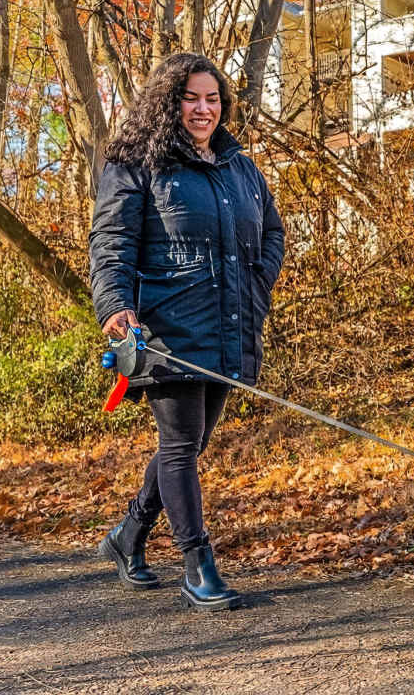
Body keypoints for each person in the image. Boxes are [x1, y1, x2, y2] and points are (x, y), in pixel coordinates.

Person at [89, 53, 285, 611]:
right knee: (179, 444)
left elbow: (272, 230)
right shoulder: (134, 162)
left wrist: (256, 284)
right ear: (169, 102)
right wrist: (115, 309)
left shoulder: (238, 166)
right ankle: (198, 565)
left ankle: (129, 536)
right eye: (192, 98)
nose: (204, 109)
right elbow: (111, 244)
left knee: (192, 443)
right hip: (165, 327)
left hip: (229, 323)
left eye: (213, 99)